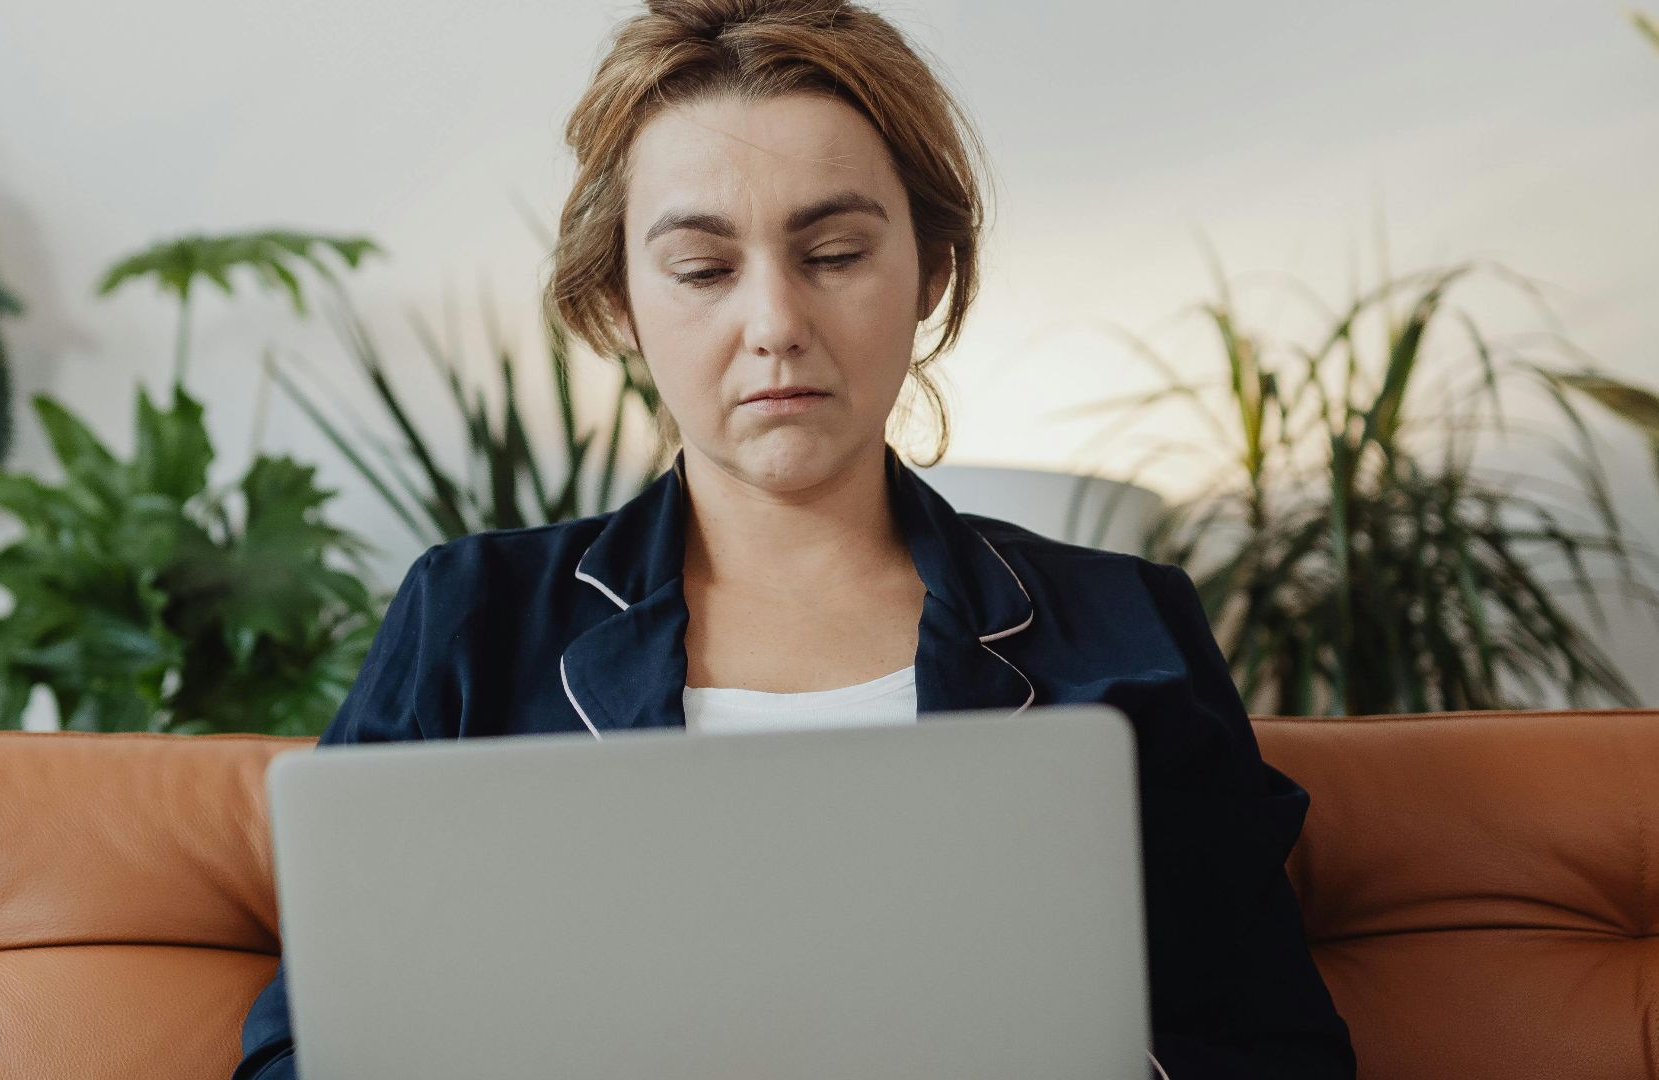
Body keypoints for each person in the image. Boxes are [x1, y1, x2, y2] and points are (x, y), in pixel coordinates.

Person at [231, 1, 1357, 1077]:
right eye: (704, 270)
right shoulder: (470, 619)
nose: (775, 325)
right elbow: (303, 1047)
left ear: (931, 273)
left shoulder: (1128, 626)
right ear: (620, 303)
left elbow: (1273, 1051)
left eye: (832, 255)